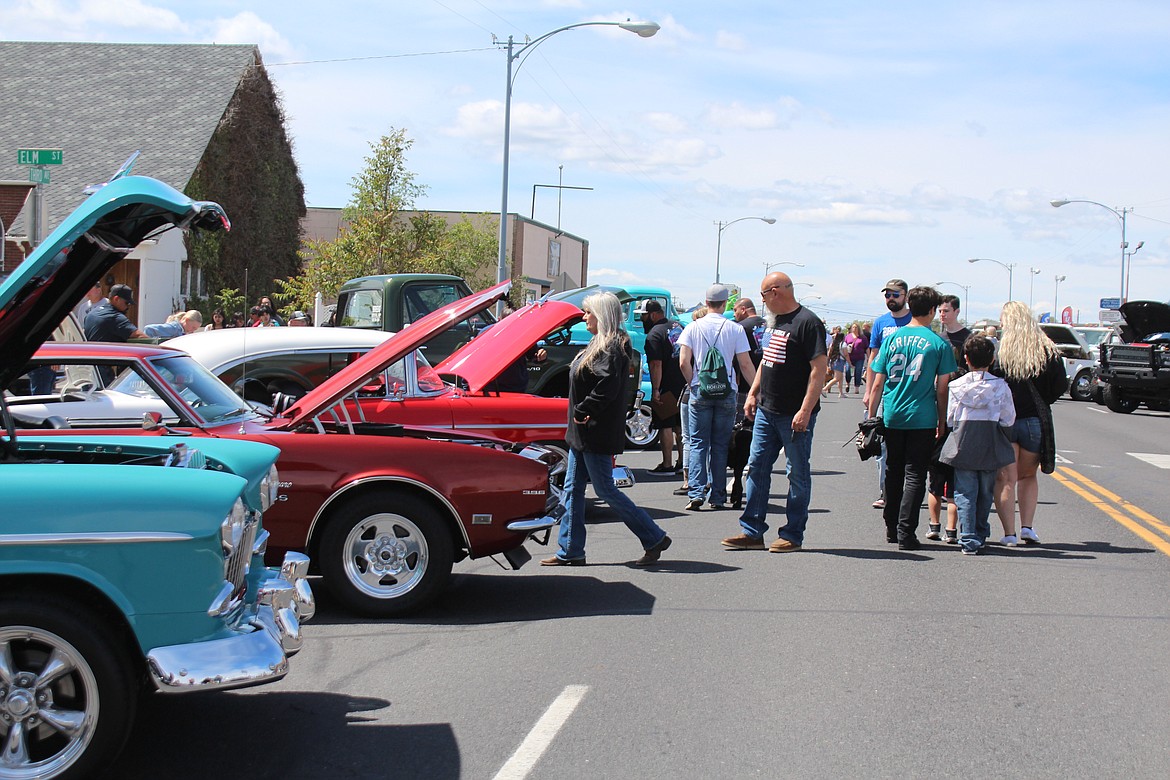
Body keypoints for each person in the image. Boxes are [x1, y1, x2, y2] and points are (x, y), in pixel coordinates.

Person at [541, 291, 672, 567]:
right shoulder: (601, 344)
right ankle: (570, 550)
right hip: (584, 432)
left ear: (601, 315)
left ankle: (654, 536)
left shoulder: (611, 347)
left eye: (588, 312)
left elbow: (607, 388)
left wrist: (583, 410)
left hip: (594, 431)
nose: (584, 316)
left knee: (605, 490)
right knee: (572, 490)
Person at [722, 272, 827, 553]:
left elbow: (819, 370)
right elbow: (767, 361)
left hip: (794, 414)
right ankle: (752, 531)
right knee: (756, 466)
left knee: (797, 473)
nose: (763, 300)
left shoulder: (808, 323)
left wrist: (805, 410)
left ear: (777, 291)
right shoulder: (774, 323)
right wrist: (753, 393)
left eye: (764, 294)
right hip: (767, 411)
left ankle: (792, 534)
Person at [866, 286, 956, 550]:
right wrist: (942, 421)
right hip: (922, 416)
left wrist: (871, 417)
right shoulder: (939, 343)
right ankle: (907, 531)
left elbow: (877, 382)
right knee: (915, 473)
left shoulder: (892, 339)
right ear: (931, 311)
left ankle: (891, 527)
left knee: (893, 470)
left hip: (893, 413)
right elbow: (942, 389)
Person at [991, 301, 1068, 546]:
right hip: (1035, 420)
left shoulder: (1002, 352)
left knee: (1005, 479)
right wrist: (1043, 401)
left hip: (1007, 421)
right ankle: (1027, 527)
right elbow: (1059, 386)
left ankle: (1009, 534)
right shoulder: (1048, 351)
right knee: (1028, 477)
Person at [678, 284, 756, 511]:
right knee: (720, 445)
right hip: (726, 391)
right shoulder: (735, 329)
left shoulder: (692, 327)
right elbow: (745, 363)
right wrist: (755, 390)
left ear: (706, 301)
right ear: (725, 304)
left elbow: (683, 361)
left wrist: (693, 383)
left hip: (700, 391)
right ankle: (718, 496)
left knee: (698, 443)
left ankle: (695, 493)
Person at [939, 334, 1017, 555]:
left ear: (966, 358)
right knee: (985, 491)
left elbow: (951, 418)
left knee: (964, 491)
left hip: (963, 441)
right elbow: (1008, 418)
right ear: (992, 359)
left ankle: (968, 537)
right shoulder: (1000, 386)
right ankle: (981, 532)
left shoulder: (956, 386)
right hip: (990, 441)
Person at [925, 294, 972, 543]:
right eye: (939, 311)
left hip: (962, 411)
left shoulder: (968, 338)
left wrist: (954, 374)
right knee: (935, 473)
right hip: (937, 407)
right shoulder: (936, 339)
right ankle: (934, 525)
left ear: (956, 311)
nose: (942, 315)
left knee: (955, 473)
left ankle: (952, 529)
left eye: (946, 311)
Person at [864, 279, 913, 509]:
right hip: (884, 391)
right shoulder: (881, 323)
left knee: (907, 446)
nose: (890, 298)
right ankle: (886, 490)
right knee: (881, 444)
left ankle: (908, 489)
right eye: (887, 295)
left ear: (905, 295)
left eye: (895, 294)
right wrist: (868, 390)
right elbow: (873, 357)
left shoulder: (915, 320)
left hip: (911, 392)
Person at [641, 300, 685, 474]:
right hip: (685, 383)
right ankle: (683, 463)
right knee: (681, 426)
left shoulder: (654, 334)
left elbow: (656, 364)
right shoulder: (679, 326)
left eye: (643, 316)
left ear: (652, 315)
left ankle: (667, 464)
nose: (642, 319)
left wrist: (656, 389)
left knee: (665, 424)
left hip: (666, 385)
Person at [732, 297, 765, 420]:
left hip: (746, 385)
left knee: (743, 425)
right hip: (767, 381)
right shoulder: (769, 325)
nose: (734, 314)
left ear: (743, 309)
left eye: (735, 310)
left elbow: (739, 361)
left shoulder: (740, 328)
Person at [845, 323, 867, 394]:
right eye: (853, 327)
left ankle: (856, 388)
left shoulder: (863, 338)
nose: (854, 328)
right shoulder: (848, 337)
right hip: (849, 357)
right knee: (847, 371)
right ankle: (847, 383)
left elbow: (866, 348)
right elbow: (843, 346)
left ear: (858, 328)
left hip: (859, 357)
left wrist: (869, 358)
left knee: (858, 372)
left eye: (856, 327)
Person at [825, 329, 848, 398]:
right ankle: (824, 389)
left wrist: (827, 363)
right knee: (837, 378)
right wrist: (850, 363)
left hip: (833, 361)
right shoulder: (843, 344)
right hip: (839, 361)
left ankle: (841, 393)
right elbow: (846, 354)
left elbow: (829, 354)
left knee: (840, 378)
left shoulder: (833, 344)